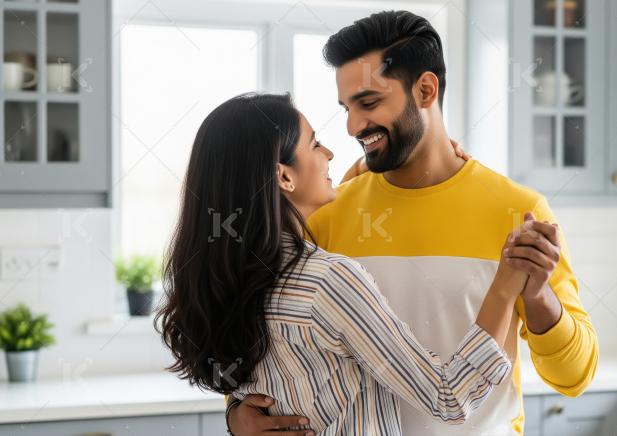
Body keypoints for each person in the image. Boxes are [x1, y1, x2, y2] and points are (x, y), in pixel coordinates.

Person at [229, 10, 598, 436]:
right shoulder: (328, 213)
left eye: (368, 103)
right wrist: (237, 413)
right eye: (346, 107)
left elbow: (575, 378)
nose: (352, 126)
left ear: (425, 90)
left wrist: (539, 299)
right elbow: (267, 342)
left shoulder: (518, 211)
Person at [156, 93, 550, 435]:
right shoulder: (328, 281)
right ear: (284, 177)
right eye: (316, 145)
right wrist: (506, 280)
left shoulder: (233, 276)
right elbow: (447, 397)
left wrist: (234, 415)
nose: (328, 153)